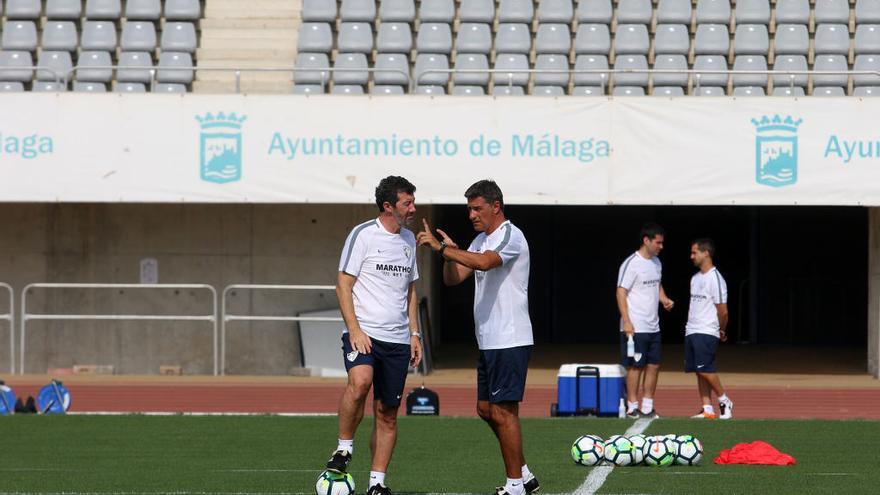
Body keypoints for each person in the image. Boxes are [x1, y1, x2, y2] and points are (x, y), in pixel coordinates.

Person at [417, 180, 538, 495]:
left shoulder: (512, 236)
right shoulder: (479, 240)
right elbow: (454, 278)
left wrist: (446, 249)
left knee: (503, 411)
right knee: (486, 409)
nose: (471, 214)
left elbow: (485, 262)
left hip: (509, 338)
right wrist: (448, 256)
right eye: (468, 208)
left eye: (476, 208)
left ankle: (515, 486)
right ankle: (523, 473)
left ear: (495, 206)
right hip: (488, 340)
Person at [324, 175, 423, 495]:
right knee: (361, 381)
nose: (413, 208)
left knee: (388, 414)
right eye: (407, 202)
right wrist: (354, 329)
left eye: (413, 201)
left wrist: (415, 333)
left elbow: (410, 290)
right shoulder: (363, 234)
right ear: (387, 206)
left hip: (397, 341)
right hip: (364, 333)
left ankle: (377, 484)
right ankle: (343, 448)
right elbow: (343, 284)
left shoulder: (409, 240)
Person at [616, 222, 674, 419]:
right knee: (636, 365)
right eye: (658, 242)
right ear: (646, 241)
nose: (661, 246)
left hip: (653, 325)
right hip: (636, 326)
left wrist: (664, 299)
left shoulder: (657, 263)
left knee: (654, 365)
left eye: (662, 243)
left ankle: (647, 406)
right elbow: (621, 291)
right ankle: (632, 406)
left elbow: (657, 285)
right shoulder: (631, 263)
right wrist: (627, 321)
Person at [685, 238, 734, 420]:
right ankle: (707, 409)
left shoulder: (716, 278)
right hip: (692, 329)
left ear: (706, 253)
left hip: (707, 330)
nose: (692, 256)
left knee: (706, 369)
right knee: (699, 371)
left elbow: (723, 311)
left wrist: (721, 330)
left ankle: (724, 400)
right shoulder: (695, 278)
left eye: (694, 252)